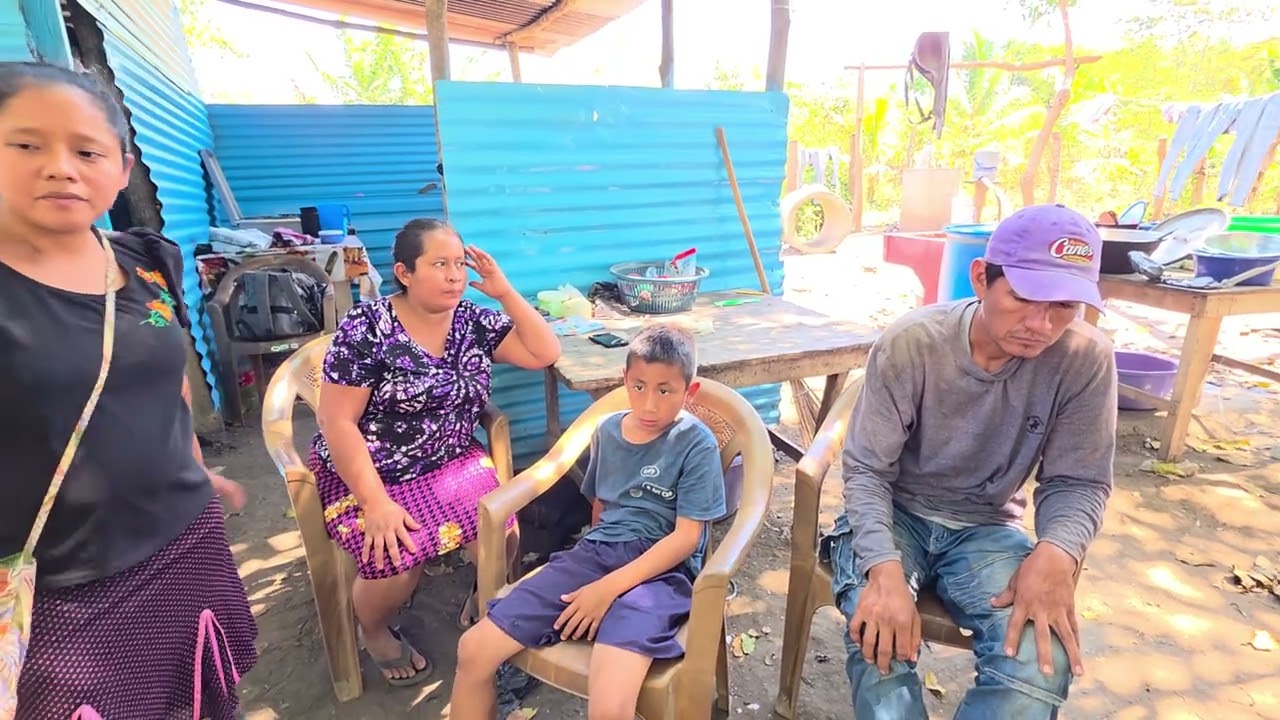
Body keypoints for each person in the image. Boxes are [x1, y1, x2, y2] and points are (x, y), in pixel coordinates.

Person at [0, 61, 257, 719]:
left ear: (120, 167)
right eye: (26, 145)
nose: (61, 167)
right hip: (61, 590)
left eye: (87, 150)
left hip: (185, 538)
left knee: (202, 694)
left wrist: (198, 468)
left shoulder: (145, 259)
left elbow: (162, 374)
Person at [827, 204, 1117, 719]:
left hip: (988, 527)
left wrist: (1055, 553)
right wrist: (883, 571)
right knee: (878, 642)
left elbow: (1079, 480)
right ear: (981, 278)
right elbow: (868, 469)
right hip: (895, 514)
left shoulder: (1084, 358)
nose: (1040, 324)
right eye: (1023, 297)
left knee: (1038, 660)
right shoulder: (913, 342)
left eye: (1065, 305)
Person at [310, 217, 561, 685]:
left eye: (459, 264)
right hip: (373, 467)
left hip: (450, 459)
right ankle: (375, 628)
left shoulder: (472, 320)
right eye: (439, 264)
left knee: (501, 530)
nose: (454, 275)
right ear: (404, 273)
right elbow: (337, 422)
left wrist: (503, 291)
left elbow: (543, 352)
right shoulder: (368, 327)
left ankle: (486, 593)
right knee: (395, 555)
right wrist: (376, 502)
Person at [449, 324, 727, 720]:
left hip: (663, 572)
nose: (649, 405)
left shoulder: (696, 444)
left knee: (609, 708)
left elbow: (686, 539)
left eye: (665, 390)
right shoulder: (608, 431)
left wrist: (607, 589)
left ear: (690, 391)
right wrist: (592, 574)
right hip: (596, 554)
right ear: (624, 381)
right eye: (639, 386)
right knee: (473, 651)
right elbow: (600, 508)